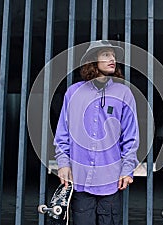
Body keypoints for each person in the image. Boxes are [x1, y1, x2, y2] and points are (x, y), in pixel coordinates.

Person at [53, 40, 139, 225]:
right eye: (106, 55)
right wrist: (63, 163)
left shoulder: (124, 93)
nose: (112, 59)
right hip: (80, 177)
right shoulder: (73, 93)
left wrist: (127, 169)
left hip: (112, 180)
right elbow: (63, 132)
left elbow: (131, 136)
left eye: (114, 56)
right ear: (93, 61)